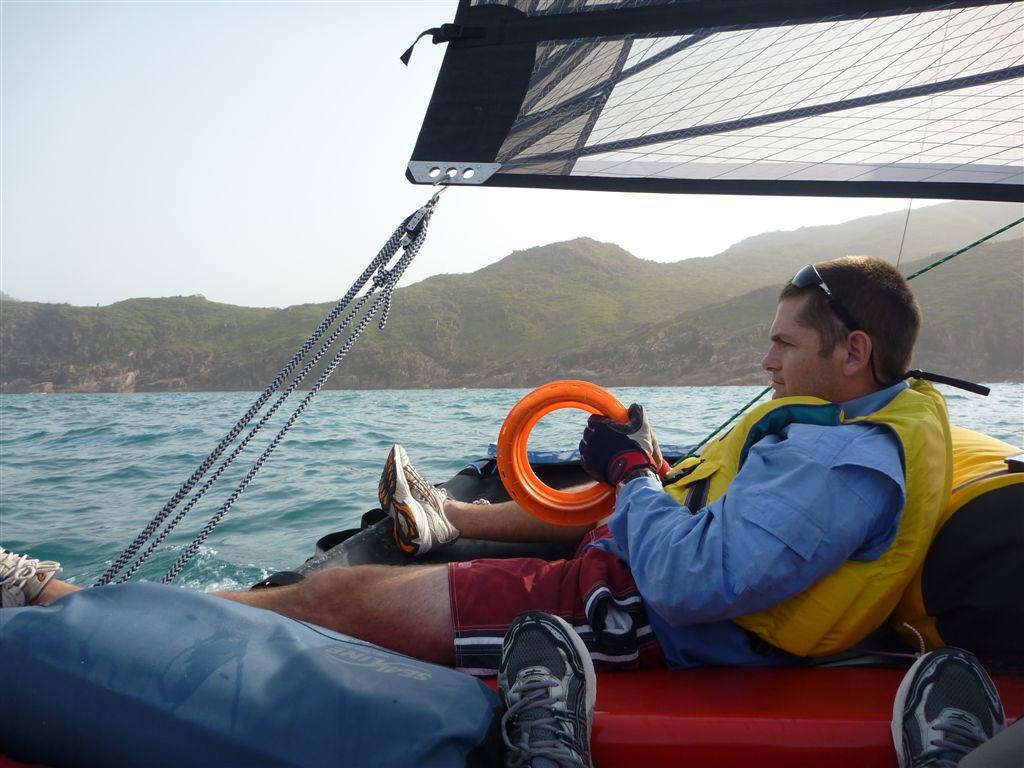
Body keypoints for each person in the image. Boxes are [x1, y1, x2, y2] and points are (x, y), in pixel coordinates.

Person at [2, 256, 952, 676]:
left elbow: (696, 581)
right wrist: (643, 474)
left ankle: (61, 608)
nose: (768, 361)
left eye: (785, 344)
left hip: (629, 619)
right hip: (614, 584)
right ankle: (88, 609)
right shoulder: (834, 427)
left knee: (333, 608)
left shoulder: (846, 464)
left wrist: (630, 477)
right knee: (333, 597)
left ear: (855, 352)